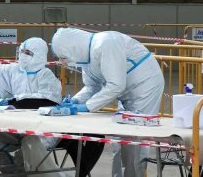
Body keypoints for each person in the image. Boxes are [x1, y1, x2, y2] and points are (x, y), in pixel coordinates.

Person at [51, 27, 165, 177]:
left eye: (63, 57)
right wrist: (75, 100)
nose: (63, 62)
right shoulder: (86, 57)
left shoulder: (106, 43)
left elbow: (116, 85)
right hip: (125, 92)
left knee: (134, 142)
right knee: (119, 142)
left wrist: (87, 106)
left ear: (72, 48)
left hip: (144, 88)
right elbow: (92, 86)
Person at [0, 37, 66, 177]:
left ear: (39, 55)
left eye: (28, 52)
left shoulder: (45, 75)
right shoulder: (14, 71)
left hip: (41, 129)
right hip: (19, 125)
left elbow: (47, 99)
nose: (23, 55)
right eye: (21, 51)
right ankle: (16, 174)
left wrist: (15, 100)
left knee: (29, 145)